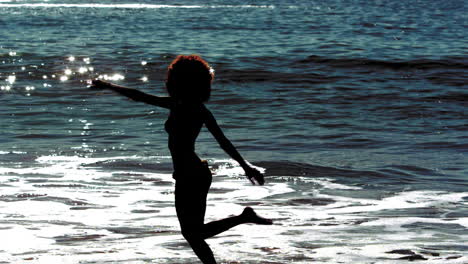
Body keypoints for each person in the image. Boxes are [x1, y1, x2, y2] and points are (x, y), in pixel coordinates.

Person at [91, 55, 272, 264]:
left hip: (192, 175)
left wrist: (108, 85)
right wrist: (245, 166)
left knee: (192, 233)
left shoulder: (182, 106)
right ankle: (242, 220)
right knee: (193, 233)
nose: (168, 82)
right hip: (193, 173)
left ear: (181, 83)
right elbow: (223, 141)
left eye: (172, 79)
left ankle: (244, 217)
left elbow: (140, 96)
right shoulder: (192, 107)